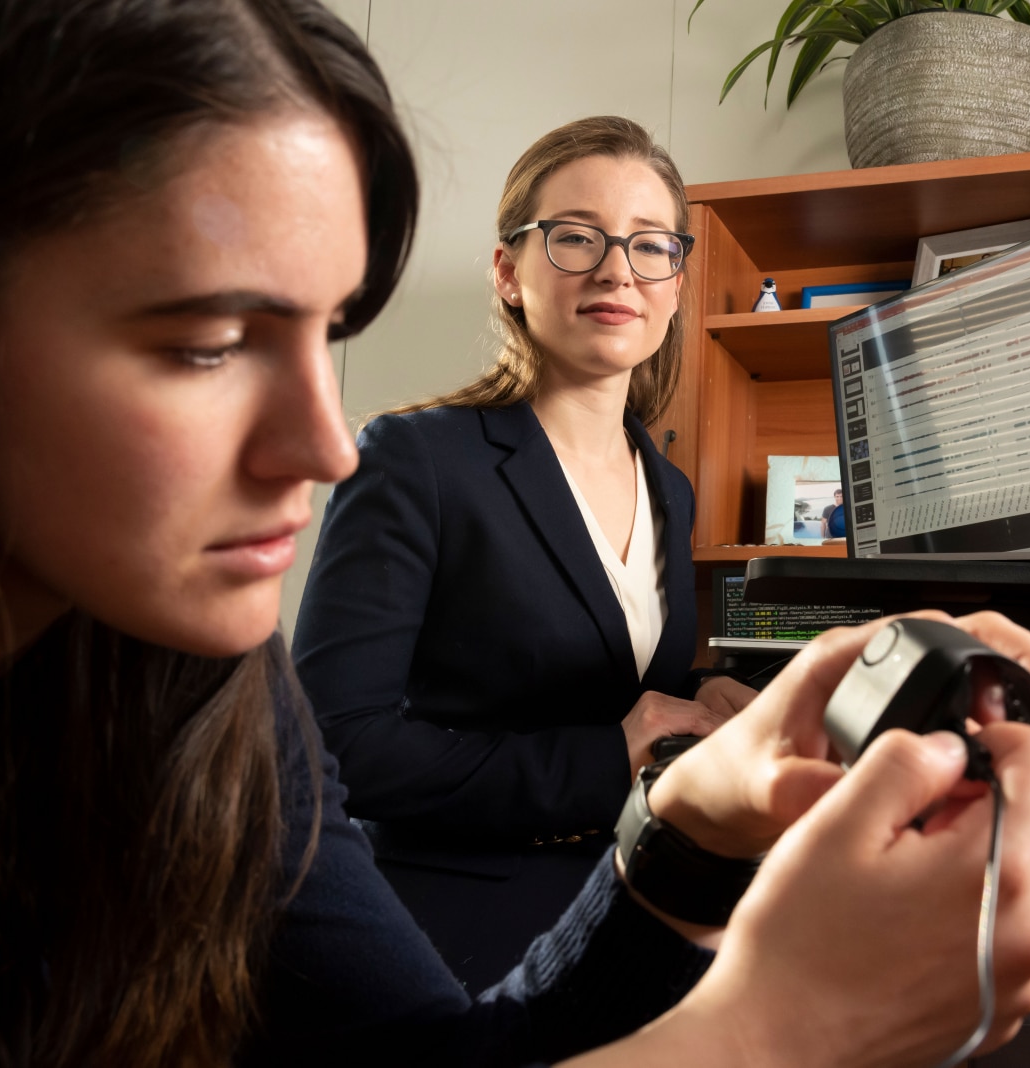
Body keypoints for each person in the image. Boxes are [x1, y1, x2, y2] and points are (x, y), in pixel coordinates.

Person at [0, 2, 1030, 1067]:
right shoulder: (410, 468)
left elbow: (426, 1050)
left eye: (325, 331)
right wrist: (780, 1030)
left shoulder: (201, 685)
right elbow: (374, 744)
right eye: (205, 340)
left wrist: (688, 826)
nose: (321, 444)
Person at [291, 116, 758, 987]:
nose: (618, 268)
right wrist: (606, 756)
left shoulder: (668, 487)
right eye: (577, 238)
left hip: (631, 902)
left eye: (650, 246)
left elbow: (596, 676)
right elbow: (333, 745)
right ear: (508, 271)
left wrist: (700, 696)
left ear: (676, 282)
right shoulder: (414, 459)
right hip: (456, 931)